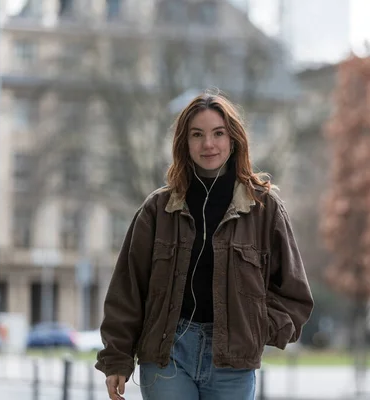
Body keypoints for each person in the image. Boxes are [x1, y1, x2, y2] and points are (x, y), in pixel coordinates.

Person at [95, 91, 314, 400]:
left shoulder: (263, 209)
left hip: (232, 362)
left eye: (218, 133)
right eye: (197, 135)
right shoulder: (158, 209)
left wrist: (256, 330)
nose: (208, 144)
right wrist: (116, 358)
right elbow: (127, 289)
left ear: (233, 139)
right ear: (184, 143)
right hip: (167, 353)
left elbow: (295, 296)